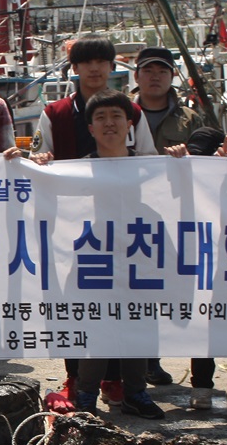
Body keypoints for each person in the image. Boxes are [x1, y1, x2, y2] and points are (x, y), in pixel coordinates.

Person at [70, 90, 164, 419]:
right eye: (100, 118)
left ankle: (136, 392)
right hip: (95, 258)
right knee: (97, 325)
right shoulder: (76, 171)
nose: (109, 123)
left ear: (130, 123)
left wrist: (182, 161)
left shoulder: (150, 167)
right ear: (91, 128)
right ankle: (85, 395)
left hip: (140, 255)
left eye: (116, 116)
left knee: (139, 322)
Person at [131, 46, 208, 387]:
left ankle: (157, 356)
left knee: (171, 286)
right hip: (133, 211)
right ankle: (145, 359)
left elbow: (206, 162)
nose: (155, 76)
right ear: (137, 76)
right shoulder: (122, 112)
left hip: (175, 213)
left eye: (162, 70)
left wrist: (189, 155)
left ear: (172, 76)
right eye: (148, 70)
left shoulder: (190, 119)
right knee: (138, 286)